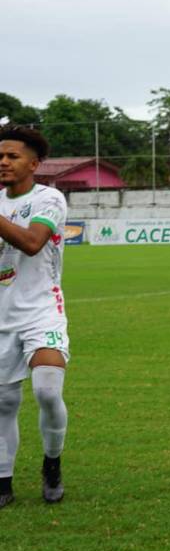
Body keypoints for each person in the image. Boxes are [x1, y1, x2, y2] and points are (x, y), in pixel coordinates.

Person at [0, 126, 70, 510]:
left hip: (42, 312)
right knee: (4, 403)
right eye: (0, 157)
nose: (4, 162)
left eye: (12, 156)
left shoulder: (50, 199)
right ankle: (3, 480)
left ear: (34, 163)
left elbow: (31, 243)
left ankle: (52, 462)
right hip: (1, 317)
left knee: (46, 390)